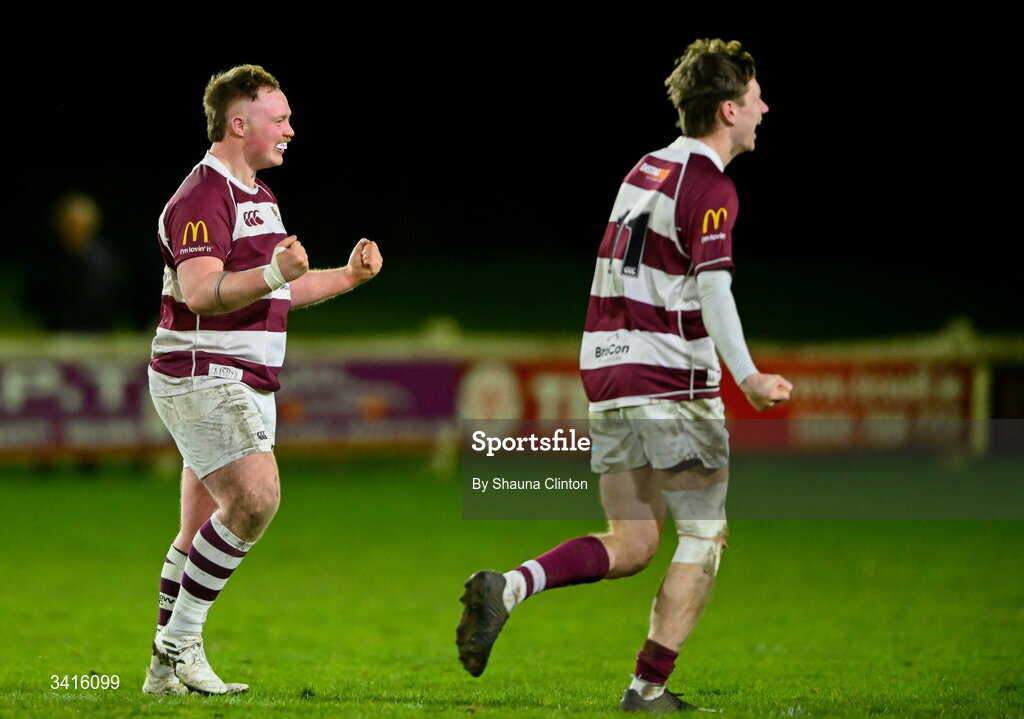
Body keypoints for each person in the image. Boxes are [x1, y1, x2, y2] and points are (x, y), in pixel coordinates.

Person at [455, 39, 792, 713]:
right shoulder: (711, 186)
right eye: (755, 98)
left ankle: (509, 586)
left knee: (634, 540)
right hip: (670, 377)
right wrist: (748, 374)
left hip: (609, 370)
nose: (764, 107)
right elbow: (715, 288)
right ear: (728, 109)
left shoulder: (645, 168)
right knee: (703, 534)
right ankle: (647, 689)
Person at [144, 64, 382, 696]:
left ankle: (161, 676)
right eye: (280, 119)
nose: (291, 130)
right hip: (203, 371)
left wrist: (345, 279)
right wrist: (275, 274)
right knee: (256, 499)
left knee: (199, 531)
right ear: (238, 122)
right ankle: (181, 643)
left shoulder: (259, 195)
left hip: (241, 376)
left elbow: (279, 288)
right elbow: (200, 292)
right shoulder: (203, 195)